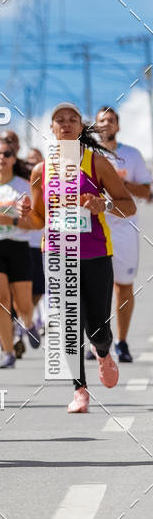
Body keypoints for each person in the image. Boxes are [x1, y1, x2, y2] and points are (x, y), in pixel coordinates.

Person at [26, 103, 135, 413]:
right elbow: (38, 219)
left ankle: (103, 351)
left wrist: (105, 206)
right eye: (59, 119)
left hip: (96, 253)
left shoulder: (96, 162)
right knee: (68, 325)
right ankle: (80, 391)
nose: (66, 124)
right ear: (51, 127)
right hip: (58, 254)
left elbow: (129, 205)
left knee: (98, 328)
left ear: (80, 127)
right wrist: (23, 215)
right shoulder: (41, 170)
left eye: (72, 119)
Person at [95, 106, 150, 362]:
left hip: (124, 226)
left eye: (111, 120)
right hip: (95, 226)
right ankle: (96, 340)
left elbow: (147, 193)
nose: (106, 124)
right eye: (101, 121)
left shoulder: (132, 155)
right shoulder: (88, 155)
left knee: (123, 286)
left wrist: (120, 185)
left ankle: (122, 341)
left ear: (117, 126)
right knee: (94, 285)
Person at [0, 139, 40, 369]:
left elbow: (36, 223)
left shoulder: (23, 186)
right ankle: (7, 352)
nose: (1, 158)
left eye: (6, 154)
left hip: (18, 246)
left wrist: (14, 220)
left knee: (23, 304)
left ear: (14, 159)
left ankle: (28, 322)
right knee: (0, 301)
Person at [26, 147, 46, 333]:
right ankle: (22, 326)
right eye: (29, 160)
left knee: (39, 290)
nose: (32, 163)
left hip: (42, 245)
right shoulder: (23, 180)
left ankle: (35, 320)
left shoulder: (46, 177)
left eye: (36, 159)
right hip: (23, 244)